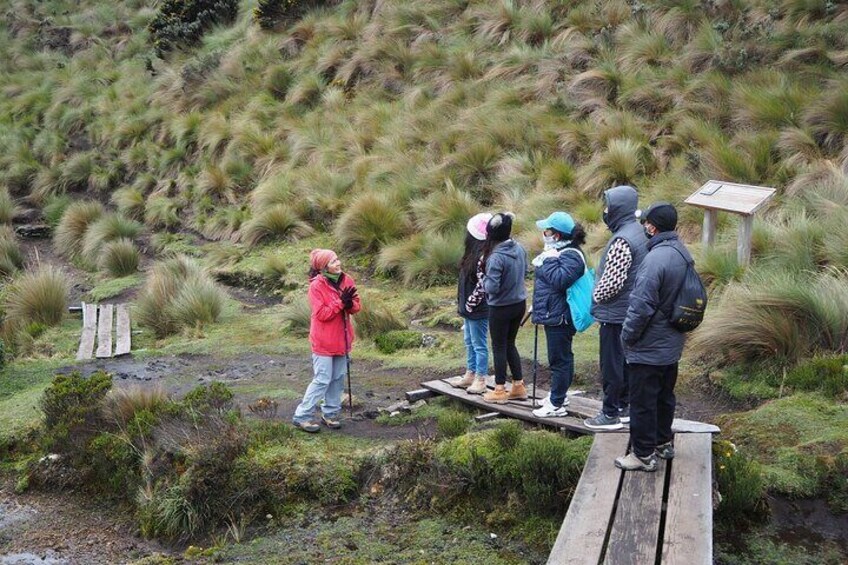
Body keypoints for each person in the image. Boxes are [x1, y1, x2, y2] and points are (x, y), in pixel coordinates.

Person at [615, 203, 692, 472]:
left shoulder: (654, 259)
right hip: (671, 342)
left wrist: (627, 336)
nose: (644, 226)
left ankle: (643, 455)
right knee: (664, 396)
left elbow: (641, 306)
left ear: (652, 227)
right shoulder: (682, 252)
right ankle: (662, 442)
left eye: (646, 222)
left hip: (649, 346)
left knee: (642, 401)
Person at [584, 185, 648, 431]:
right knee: (626, 361)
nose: (606, 211)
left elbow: (612, 283)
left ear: (618, 208)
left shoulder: (622, 239)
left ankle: (609, 413)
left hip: (615, 313)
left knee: (611, 364)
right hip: (630, 311)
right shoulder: (639, 232)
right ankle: (624, 407)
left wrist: (595, 297)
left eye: (609, 206)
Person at [292, 249, 361, 433]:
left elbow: (356, 306)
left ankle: (330, 414)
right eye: (333, 261)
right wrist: (340, 303)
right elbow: (322, 314)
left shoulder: (347, 280)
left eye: (337, 259)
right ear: (323, 267)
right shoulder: (316, 286)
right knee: (322, 379)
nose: (338, 263)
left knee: (337, 378)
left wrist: (350, 304)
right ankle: (302, 416)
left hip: (342, 340)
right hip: (323, 341)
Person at [529, 212, 588, 418]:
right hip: (553, 313)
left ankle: (556, 404)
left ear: (557, 234)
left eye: (547, 230)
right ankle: (559, 395)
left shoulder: (570, 255)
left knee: (559, 360)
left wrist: (549, 259)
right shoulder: (559, 251)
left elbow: (559, 280)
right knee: (561, 357)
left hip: (561, 316)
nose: (544, 234)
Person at [468, 212, 528, 404]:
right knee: (510, 343)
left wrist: (482, 279)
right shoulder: (519, 248)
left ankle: (500, 389)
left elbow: (492, 287)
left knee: (499, 346)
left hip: (500, 307)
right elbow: (525, 270)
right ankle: (518, 386)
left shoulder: (495, 257)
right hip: (519, 303)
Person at [452, 212, 492, 395]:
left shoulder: (483, 257)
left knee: (479, 343)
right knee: (469, 341)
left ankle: (481, 378)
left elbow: (483, 286)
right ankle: (470, 373)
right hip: (469, 309)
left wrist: (469, 304)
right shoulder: (471, 254)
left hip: (478, 310)